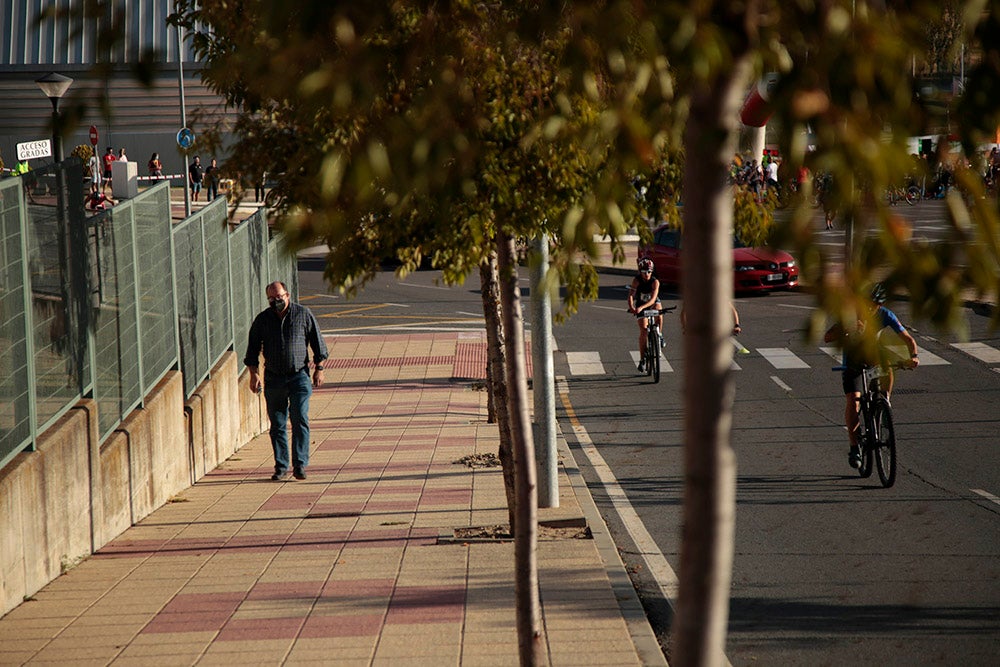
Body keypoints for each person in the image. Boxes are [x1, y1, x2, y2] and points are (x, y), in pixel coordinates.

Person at [824, 283, 919, 470]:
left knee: (887, 367)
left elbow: (908, 339)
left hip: (873, 358)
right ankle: (854, 448)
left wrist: (913, 357)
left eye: (873, 305)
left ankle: (885, 401)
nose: (868, 308)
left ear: (880, 305)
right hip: (853, 361)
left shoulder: (886, 315)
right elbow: (828, 337)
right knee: (854, 401)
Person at [244, 281, 328, 481]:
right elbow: (252, 350)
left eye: (279, 297)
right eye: (272, 299)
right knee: (278, 423)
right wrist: (253, 374)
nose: (276, 301)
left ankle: (299, 464)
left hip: (299, 375)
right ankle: (281, 466)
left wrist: (319, 369)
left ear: (287, 295)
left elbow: (319, 344)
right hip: (273, 378)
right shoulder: (263, 320)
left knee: (299, 417)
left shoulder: (303, 315)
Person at [627, 257, 663, 373]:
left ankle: (660, 335)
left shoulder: (655, 282)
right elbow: (631, 295)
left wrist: (641, 308)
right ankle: (642, 360)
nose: (646, 274)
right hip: (640, 304)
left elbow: (653, 299)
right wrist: (632, 307)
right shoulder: (636, 280)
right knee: (643, 330)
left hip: (651, 303)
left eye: (649, 271)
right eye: (644, 272)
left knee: (659, 311)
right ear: (640, 272)